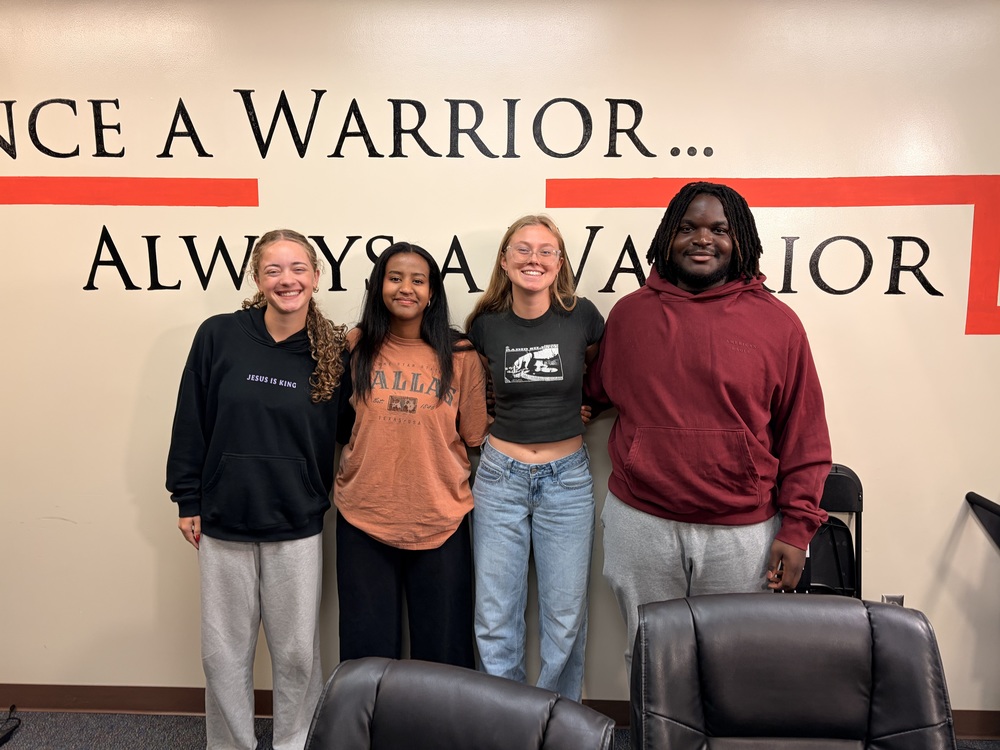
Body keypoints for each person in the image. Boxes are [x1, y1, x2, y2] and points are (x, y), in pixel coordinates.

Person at [584, 181, 832, 676]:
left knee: (734, 667)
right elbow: (594, 391)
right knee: (652, 663)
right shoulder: (630, 315)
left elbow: (804, 436)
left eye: (719, 229)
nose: (703, 239)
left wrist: (799, 529)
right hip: (642, 522)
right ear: (665, 238)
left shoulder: (779, 324)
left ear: (739, 239)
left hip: (742, 532)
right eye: (688, 228)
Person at [166, 229, 351, 750]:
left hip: (297, 520)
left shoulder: (333, 350)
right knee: (224, 652)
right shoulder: (219, 335)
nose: (286, 280)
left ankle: (295, 742)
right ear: (256, 277)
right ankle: (232, 745)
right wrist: (187, 498)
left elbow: (354, 428)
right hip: (223, 516)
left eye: (297, 269)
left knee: (296, 654)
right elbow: (190, 419)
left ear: (316, 277)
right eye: (273, 269)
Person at [466, 214, 605, 701]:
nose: (534, 259)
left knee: (565, 616)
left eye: (546, 250)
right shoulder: (484, 325)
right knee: (494, 612)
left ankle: (555, 721)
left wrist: (593, 405)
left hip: (567, 480)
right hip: (499, 476)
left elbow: (611, 376)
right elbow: (473, 387)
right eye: (522, 249)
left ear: (560, 262)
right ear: (504, 260)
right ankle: (503, 723)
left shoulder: (582, 316)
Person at [334, 241, 488, 667]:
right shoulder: (356, 347)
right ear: (379, 286)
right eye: (395, 277)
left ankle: (440, 736)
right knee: (366, 653)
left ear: (433, 292)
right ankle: (369, 734)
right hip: (364, 514)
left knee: (443, 654)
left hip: (440, 515)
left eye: (418, 280)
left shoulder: (461, 356)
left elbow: (474, 435)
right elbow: (339, 428)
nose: (406, 288)